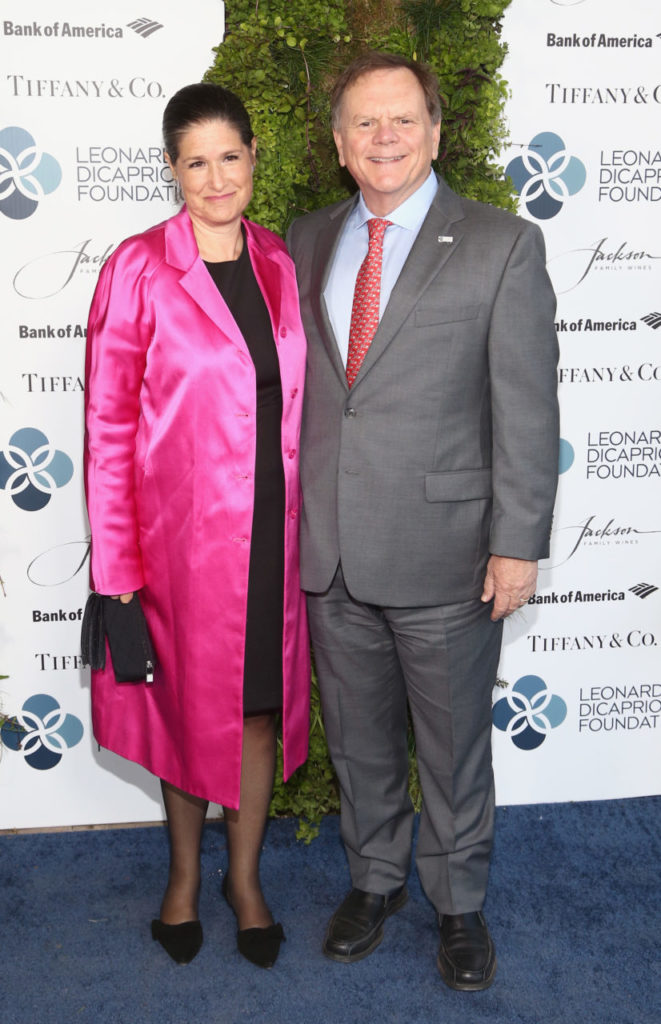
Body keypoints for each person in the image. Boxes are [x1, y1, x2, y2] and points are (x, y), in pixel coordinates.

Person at [286, 52, 559, 990]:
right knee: (357, 740)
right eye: (364, 122)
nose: (385, 137)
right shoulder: (305, 239)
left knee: (450, 751)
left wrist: (516, 544)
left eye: (403, 118)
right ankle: (374, 880)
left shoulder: (501, 243)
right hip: (329, 551)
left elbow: (526, 408)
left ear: (436, 133)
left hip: (446, 552)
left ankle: (457, 904)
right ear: (338, 144)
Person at [84, 83, 310, 969]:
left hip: (274, 537)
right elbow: (107, 428)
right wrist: (118, 574)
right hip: (180, 547)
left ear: (253, 156)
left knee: (255, 710)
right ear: (172, 170)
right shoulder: (138, 267)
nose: (216, 179)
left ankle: (243, 880)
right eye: (195, 163)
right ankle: (182, 877)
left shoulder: (279, 259)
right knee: (186, 712)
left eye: (229, 157)